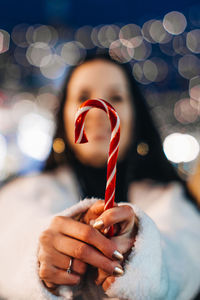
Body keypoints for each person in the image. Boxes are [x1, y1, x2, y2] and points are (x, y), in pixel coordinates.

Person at [0, 52, 199, 300]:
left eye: (116, 97)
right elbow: (10, 238)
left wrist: (140, 253)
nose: (97, 110)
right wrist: (43, 255)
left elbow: (184, 258)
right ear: (63, 114)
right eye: (83, 97)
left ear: (136, 116)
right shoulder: (21, 194)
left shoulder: (172, 200)